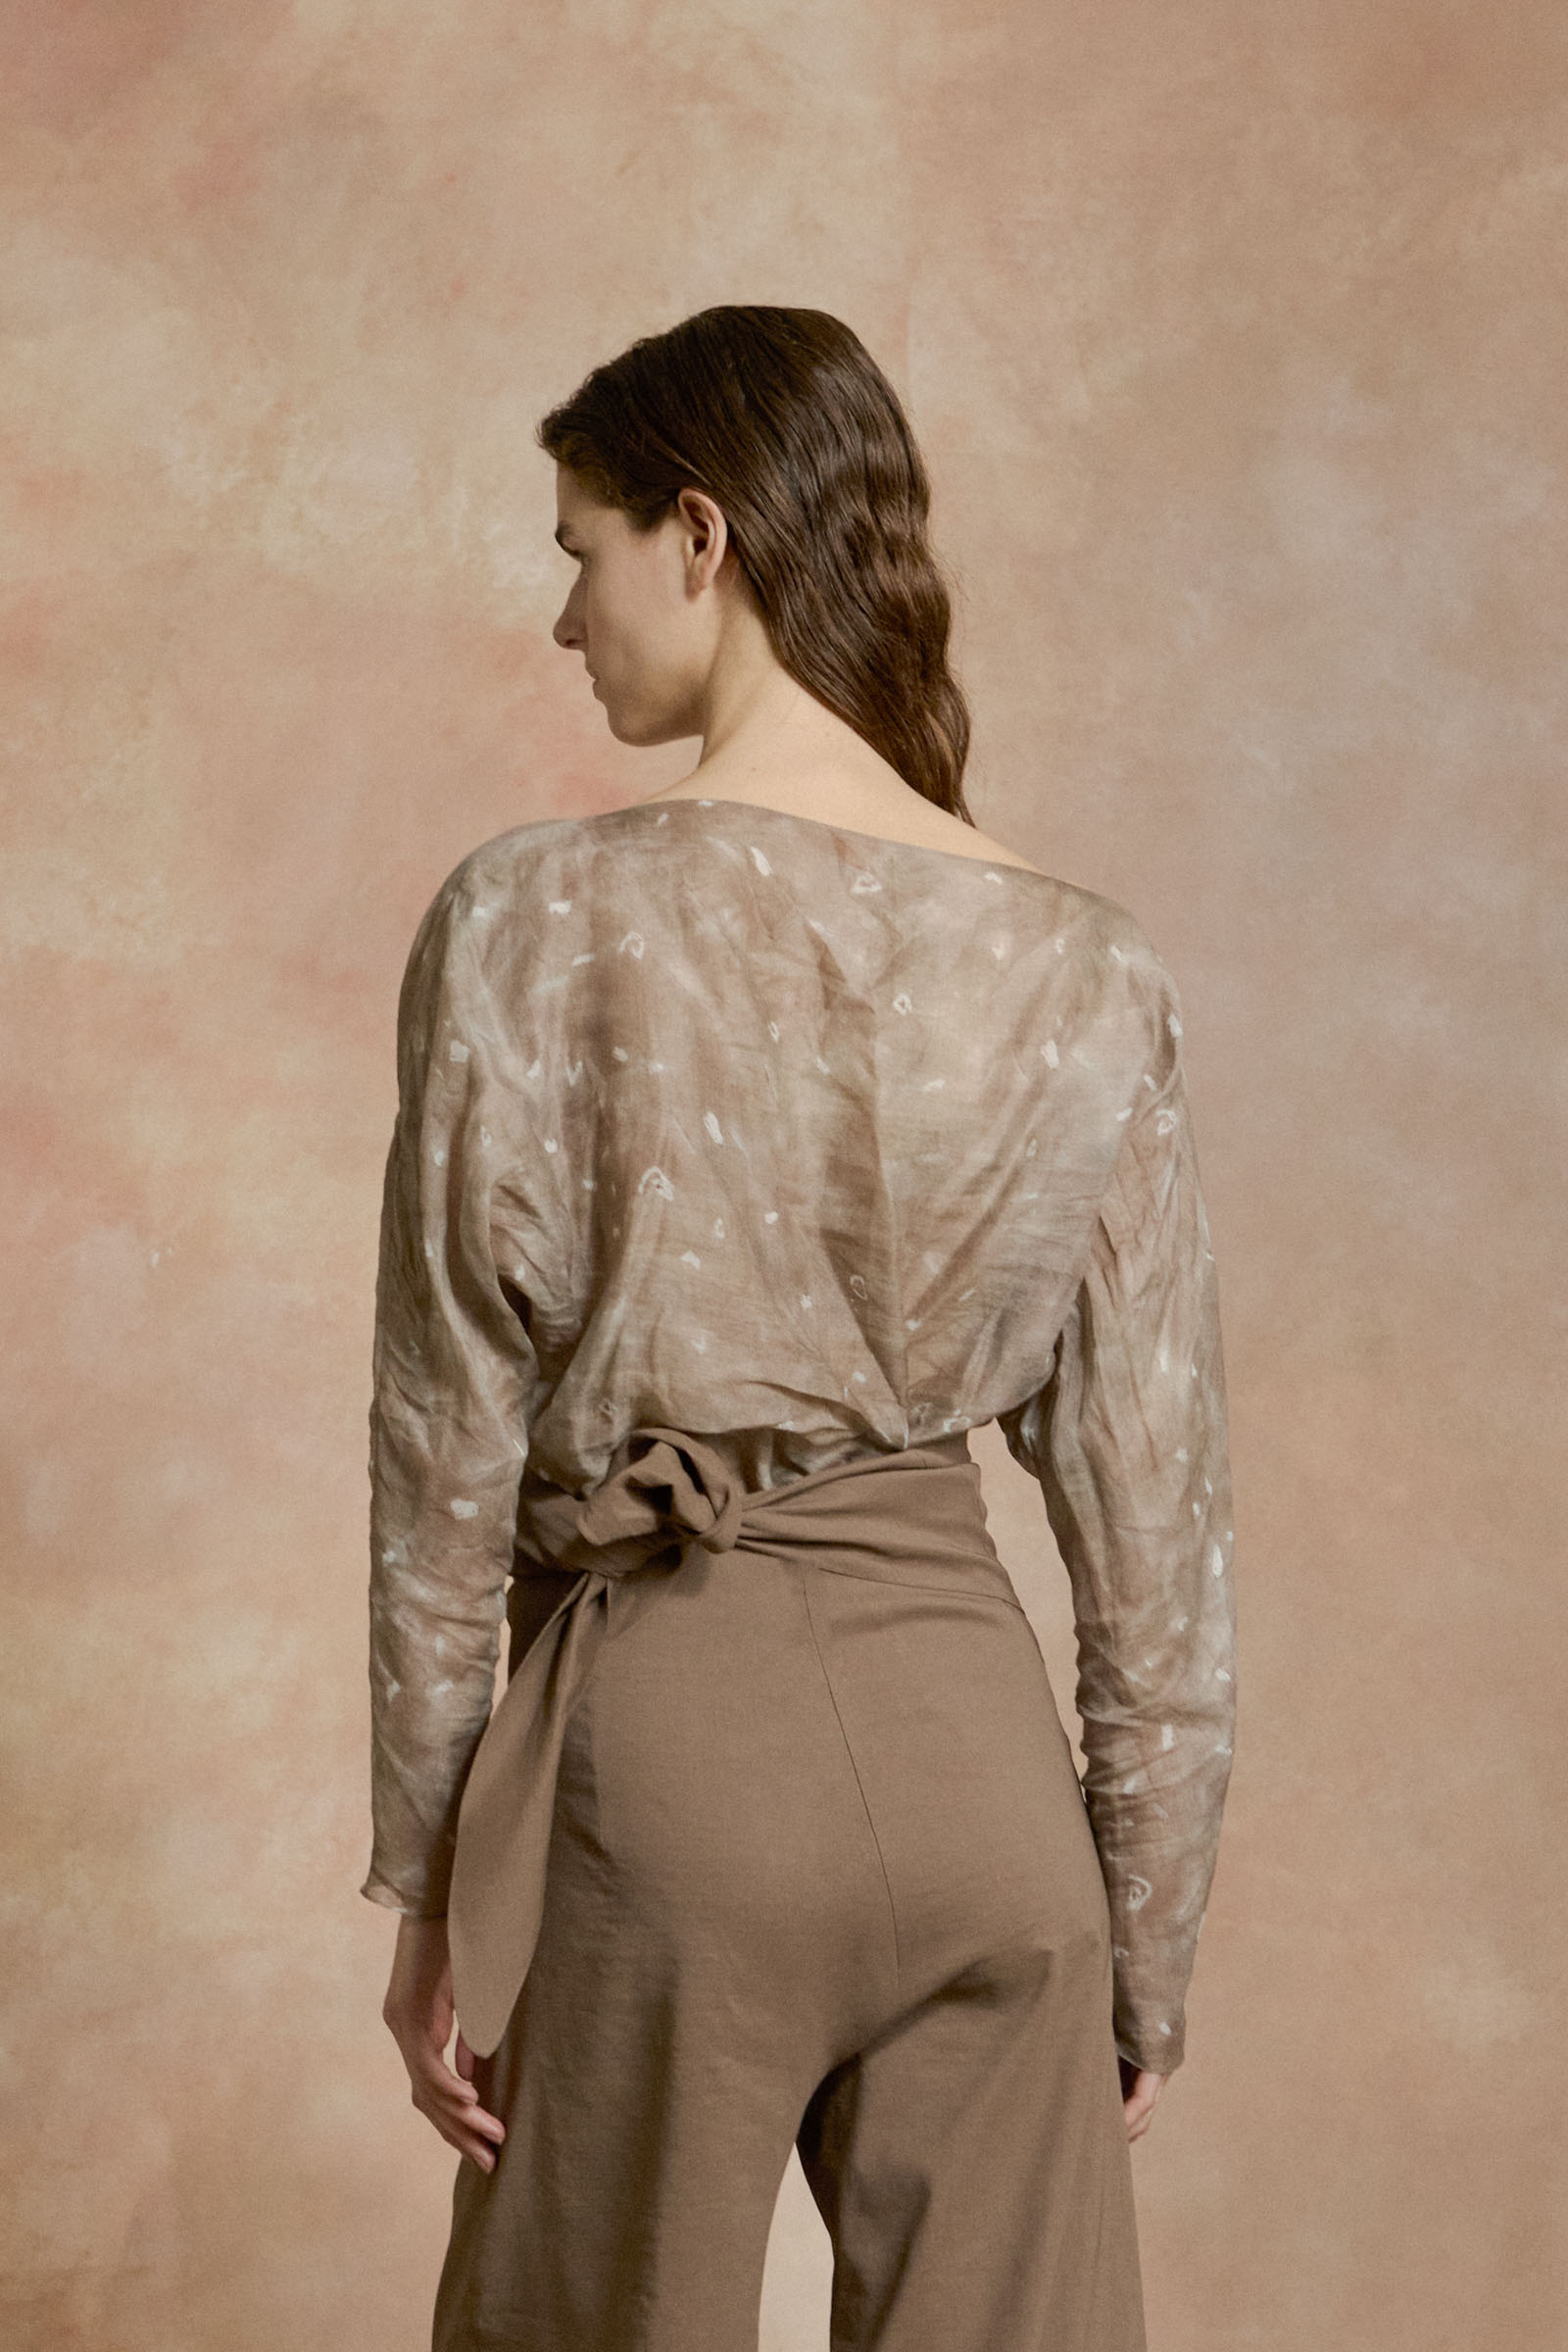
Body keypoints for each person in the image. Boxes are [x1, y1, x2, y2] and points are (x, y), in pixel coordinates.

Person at [361, 306, 1237, 2352]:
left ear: (700, 534)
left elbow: (441, 1454)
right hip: (987, 1783)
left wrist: (435, 1880)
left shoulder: (531, 917)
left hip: (666, 1770)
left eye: (576, 550)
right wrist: (1143, 1933)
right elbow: (1158, 1528)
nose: (563, 618)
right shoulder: (1087, 966)